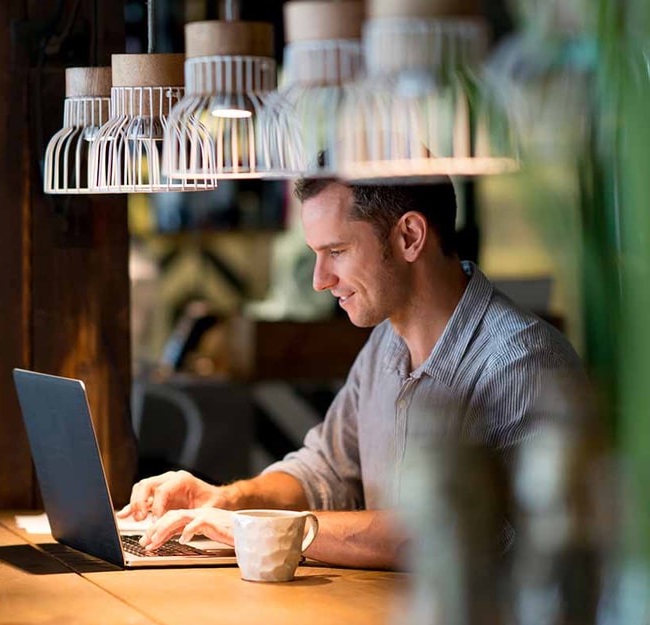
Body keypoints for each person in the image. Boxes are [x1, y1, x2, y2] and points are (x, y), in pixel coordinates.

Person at [118, 177, 587, 570]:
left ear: (409, 237)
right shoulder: (386, 341)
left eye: (337, 251)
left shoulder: (523, 364)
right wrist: (224, 500)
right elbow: (326, 470)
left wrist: (262, 529)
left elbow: (451, 534)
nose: (320, 279)